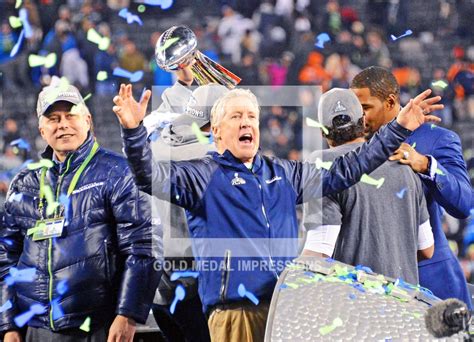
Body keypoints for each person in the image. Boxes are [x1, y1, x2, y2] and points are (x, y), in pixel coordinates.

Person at [113, 82, 440, 341]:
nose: (246, 123)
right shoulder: (202, 174)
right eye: (236, 116)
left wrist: (397, 129)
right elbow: (149, 176)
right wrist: (133, 132)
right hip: (235, 314)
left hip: (284, 311)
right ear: (216, 131)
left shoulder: (283, 173)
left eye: (251, 117)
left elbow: (348, 169)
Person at [0, 78, 161, 342]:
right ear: (42, 130)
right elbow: (6, 259)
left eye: (70, 115)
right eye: (53, 118)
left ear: (87, 120)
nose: (62, 124)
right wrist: (8, 325)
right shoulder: (25, 182)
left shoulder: (119, 172)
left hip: (97, 325)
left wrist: (128, 314)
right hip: (35, 328)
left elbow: (144, 248)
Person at [350, 66, 473, 308]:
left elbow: (464, 203)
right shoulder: (353, 146)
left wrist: (425, 164)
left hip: (431, 280)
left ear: (390, 102)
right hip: (371, 285)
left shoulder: (436, 138)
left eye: (365, 108)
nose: (359, 117)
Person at [302, 88, 434, 285]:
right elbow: (427, 249)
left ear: (323, 131)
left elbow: (319, 253)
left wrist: (282, 279)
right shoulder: (404, 164)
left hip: (357, 308)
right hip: (406, 306)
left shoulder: (321, 164)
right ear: (363, 122)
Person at [147, 69, 227, 342]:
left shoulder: (156, 146)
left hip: (159, 287)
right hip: (197, 288)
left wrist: (183, 85)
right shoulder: (213, 157)